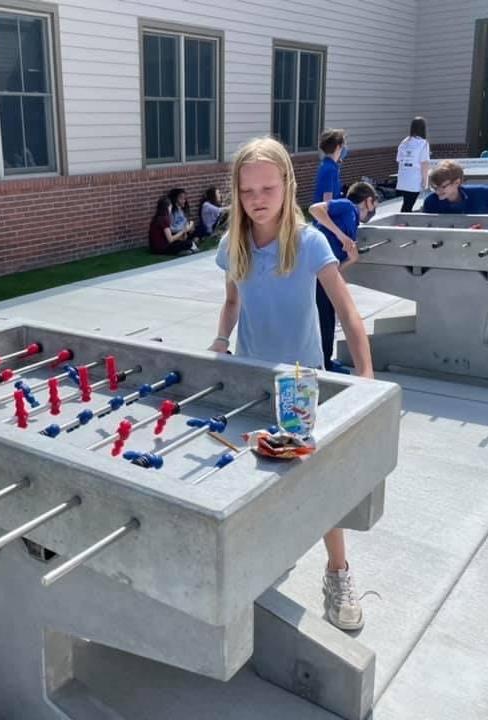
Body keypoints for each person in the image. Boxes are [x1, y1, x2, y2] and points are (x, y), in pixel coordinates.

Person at [210, 137, 374, 631]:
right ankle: (265, 555)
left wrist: (365, 375)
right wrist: (220, 339)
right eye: (246, 190)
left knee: (313, 479)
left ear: (287, 185)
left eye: (267, 187)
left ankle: (338, 570)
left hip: (300, 379)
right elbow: (234, 304)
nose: (257, 198)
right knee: (256, 471)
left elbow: (345, 308)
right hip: (250, 375)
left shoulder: (309, 242)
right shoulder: (230, 245)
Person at [309, 182, 380, 372]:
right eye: (374, 205)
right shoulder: (348, 206)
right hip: (313, 268)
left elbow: (337, 268)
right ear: (368, 201)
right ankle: (325, 362)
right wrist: (341, 235)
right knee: (324, 317)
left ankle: (325, 358)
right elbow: (315, 209)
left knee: (327, 315)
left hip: (325, 272)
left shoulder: (353, 220)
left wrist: (352, 258)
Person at [422, 160, 488, 214]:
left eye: (443, 186)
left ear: (457, 182)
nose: (438, 191)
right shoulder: (431, 202)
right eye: (435, 187)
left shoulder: (483, 194)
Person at [396, 116, 430, 212]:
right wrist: (425, 180)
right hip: (414, 179)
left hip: (403, 178)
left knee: (407, 203)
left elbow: (399, 160)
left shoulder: (404, 142)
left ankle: (402, 222)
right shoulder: (423, 143)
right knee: (408, 205)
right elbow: (424, 163)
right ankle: (402, 223)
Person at [312, 129, 347, 204]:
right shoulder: (330, 170)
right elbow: (327, 201)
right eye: (343, 146)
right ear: (338, 147)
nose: (344, 149)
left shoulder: (326, 164)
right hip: (326, 214)